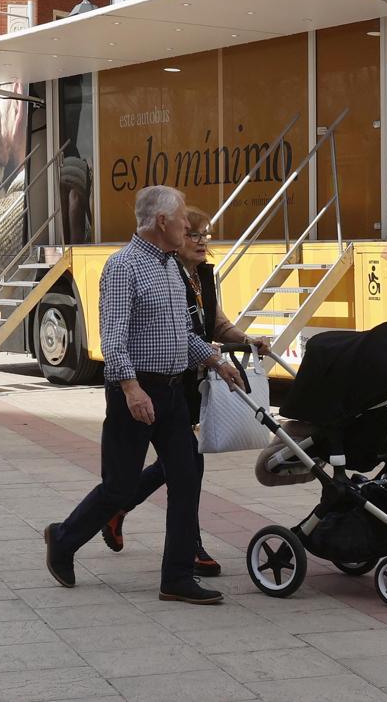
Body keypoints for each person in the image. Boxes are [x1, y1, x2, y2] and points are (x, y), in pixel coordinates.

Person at [43, 186, 245, 605]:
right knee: (119, 487)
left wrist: (214, 361)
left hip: (171, 392)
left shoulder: (172, 268)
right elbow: (112, 339)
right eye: (182, 221)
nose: (188, 226)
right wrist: (131, 388)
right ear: (161, 223)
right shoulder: (124, 267)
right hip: (134, 393)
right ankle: (62, 540)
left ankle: (176, 577)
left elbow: (183, 335)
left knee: (186, 477)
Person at [100, 206, 271, 576]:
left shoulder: (200, 276)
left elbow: (216, 323)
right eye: (193, 234)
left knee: (182, 464)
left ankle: (124, 510)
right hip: (166, 380)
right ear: (175, 239)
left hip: (192, 381)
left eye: (205, 235)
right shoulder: (163, 271)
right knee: (183, 465)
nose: (201, 242)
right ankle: (177, 542)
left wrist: (247, 340)